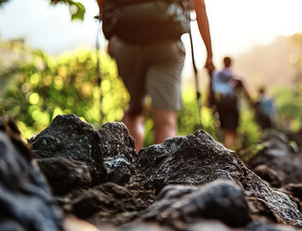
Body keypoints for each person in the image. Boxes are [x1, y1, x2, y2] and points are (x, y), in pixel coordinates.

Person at [97, 0, 215, 150]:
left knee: (135, 109)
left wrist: (109, 27)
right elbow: (199, 4)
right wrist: (209, 54)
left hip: (125, 42)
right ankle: (162, 171)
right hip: (166, 41)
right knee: (166, 120)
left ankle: (126, 166)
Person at [210, 56, 240, 148]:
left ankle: (223, 146)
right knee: (230, 128)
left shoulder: (217, 75)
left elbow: (210, 88)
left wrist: (210, 102)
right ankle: (228, 148)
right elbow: (245, 91)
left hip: (220, 104)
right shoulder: (234, 76)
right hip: (231, 105)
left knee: (222, 126)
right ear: (231, 63)